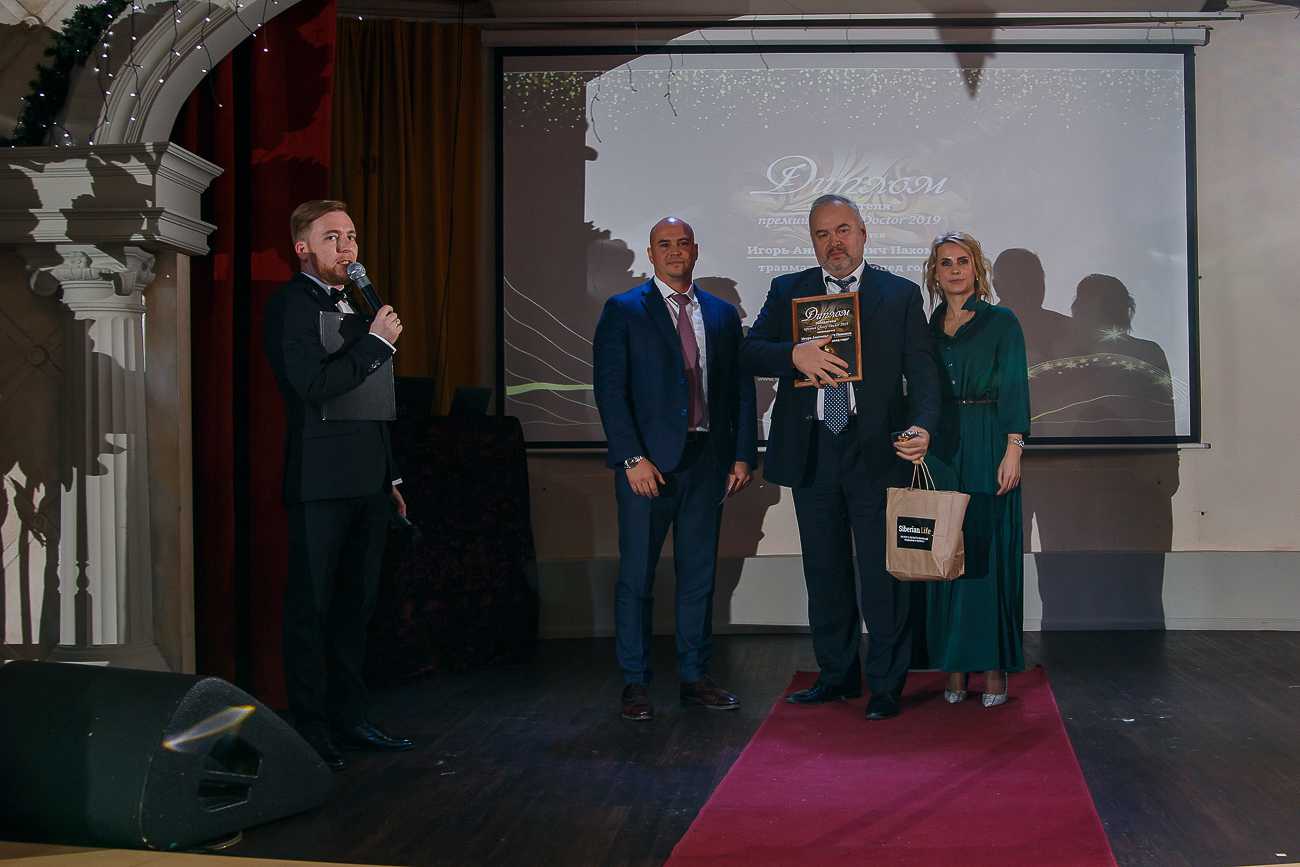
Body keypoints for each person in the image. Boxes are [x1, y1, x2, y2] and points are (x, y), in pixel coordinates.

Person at [740, 194, 940, 721]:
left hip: (876, 450)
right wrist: (793, 354)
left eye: (844, 230)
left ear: (863, 233)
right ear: (812, 241)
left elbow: (922, 372)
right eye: (823, 234)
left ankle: (887, 685)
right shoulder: (788, 290)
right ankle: (836, 676)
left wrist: (923, 426)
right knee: (824, 571)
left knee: (882, 574)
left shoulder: (898, 295)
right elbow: (749, 351)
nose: (835, 242)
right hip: (812, 450)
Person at [263, 199, 414, 769]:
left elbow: (372, 402)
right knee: (313, 610)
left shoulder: (355, 303)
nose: (346, 247)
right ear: (302, 246)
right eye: (332, 237)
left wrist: (389, 475)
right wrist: (376, 344)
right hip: (320, 481)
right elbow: (312, 385)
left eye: (350, 236)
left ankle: (352, 719)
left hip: (368, 481)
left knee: (355, 608)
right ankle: (311, 729)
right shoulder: (291, 305)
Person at [593, 217, 758, 721]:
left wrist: (742, 454)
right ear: (651, 253)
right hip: (647, 466)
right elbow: (610, 391)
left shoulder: (722, 314)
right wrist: (631, 457)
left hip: (707, 461)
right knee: (637, 577)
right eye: (664, 244)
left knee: (698, 576)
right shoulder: (624, 310)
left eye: (682, 243)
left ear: (695, 251)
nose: (674, 252)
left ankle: (694, 677)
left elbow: (739, 389)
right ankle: (635, 683)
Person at [922, 232, 1031, 708]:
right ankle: (954, 664)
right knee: (947, 554)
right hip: (942, 449)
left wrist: (1014, 448)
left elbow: (1015, 386)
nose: (954, 269)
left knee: (986, 555)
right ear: (934, 272)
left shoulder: (1001, 322)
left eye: (962, 261)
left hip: (989, 440)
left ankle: (992, 668)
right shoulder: (927, 327)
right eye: (945, 262)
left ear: (976, 269)